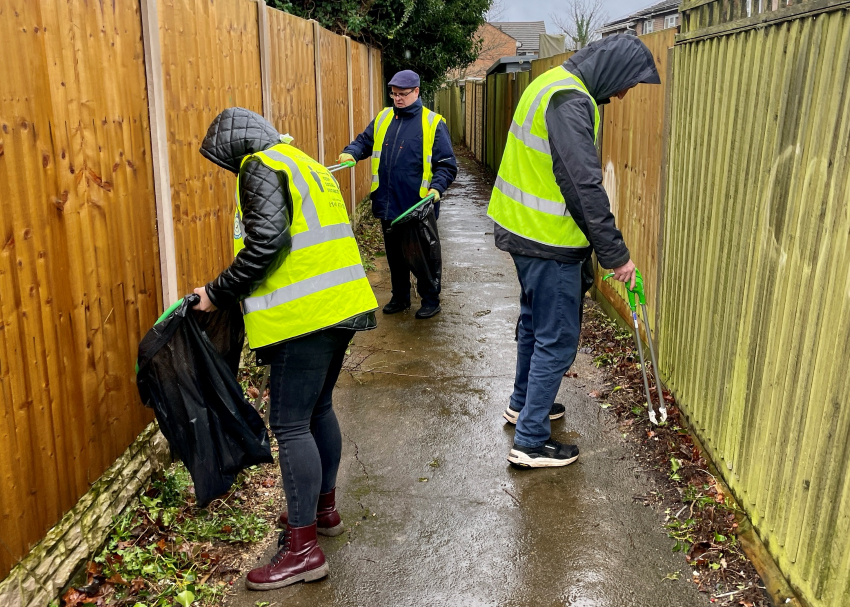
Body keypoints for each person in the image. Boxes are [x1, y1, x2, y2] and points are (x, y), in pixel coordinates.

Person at [193, 108, 378, 589]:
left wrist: (216, 292)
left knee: (291, 423)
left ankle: (303, 551)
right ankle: (323, 512)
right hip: (344, 304)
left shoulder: (259, 166)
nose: (230, 173)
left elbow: (265, 244)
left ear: (234, 150)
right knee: (319, 410)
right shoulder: (304, 163)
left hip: (305, 316)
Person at [487, 34, 661, 468]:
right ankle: (529, 441)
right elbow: (583, 186)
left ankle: (523, 405)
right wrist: (616, 255)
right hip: (549, 242)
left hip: (522, 233)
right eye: (626, 84)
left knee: (533, 325)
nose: (622, 95)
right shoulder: (570, 100)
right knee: (557, 340)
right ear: (613, 71)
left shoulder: (547, 83)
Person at [340, 70, 458, 319]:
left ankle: (430, 300)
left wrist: (436, 188)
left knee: (421, 256)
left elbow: (446, 163)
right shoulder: (384, 118)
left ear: (416, 91)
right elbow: (364, 141)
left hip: (416, 206)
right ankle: (400, 297)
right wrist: (352, 152)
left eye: (403, 94)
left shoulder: (432, 123)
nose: (397, 99)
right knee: (395, 256)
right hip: (388, 203)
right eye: (393, 94)